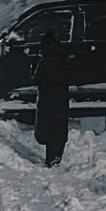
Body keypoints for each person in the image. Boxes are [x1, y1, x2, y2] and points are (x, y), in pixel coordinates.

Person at [33, 31, 72, 167]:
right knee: (59, 129)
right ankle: (57, 157)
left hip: (47, 100)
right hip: (61, 99)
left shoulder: (44, 62)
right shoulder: (64, 59)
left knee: (49, 129)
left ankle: (50, 158)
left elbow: (36, 79)